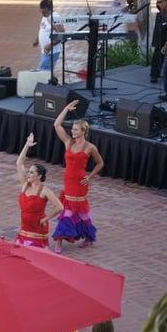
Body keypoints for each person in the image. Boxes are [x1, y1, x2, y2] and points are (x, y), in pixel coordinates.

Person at [52, 100, 104, 253]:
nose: (73, 132)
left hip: (81, 183)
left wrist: (90, 176)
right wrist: (66, 109)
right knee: (67, 211)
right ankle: (61, 239)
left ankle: (84, 237)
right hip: (68, 181)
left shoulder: (90, 147)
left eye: (76, 130)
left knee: (79, 212)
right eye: (73, 129)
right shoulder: (68, 142)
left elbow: (100, 163)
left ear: (83, 131)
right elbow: (57, 125)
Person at [15, 133, 63, 248]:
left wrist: (46, 218)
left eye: (31, 172)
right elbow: (19, 163)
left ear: (39, 176)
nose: (28, 174)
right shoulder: (25, 185)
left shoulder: (44, 190)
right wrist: (27, 145)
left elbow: (60, 207)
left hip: (37, 228)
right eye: (28, 171)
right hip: (24, 227)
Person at [32, 0, 65, 72]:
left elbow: (61, 35)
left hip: (52, 51)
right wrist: (37, 40)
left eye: (41, 9)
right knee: (43, 71)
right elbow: (42, 29)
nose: (40, 11)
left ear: (46, 9)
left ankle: (45, 83)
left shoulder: (55, 17)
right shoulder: (45, 16)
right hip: (46, 51)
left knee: (43, 72)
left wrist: (50, 45)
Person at [150, 0, 167, 84]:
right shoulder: (160, 14)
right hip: (160, 39)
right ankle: (154, 74)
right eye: (156, 2)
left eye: (159, 2)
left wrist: (166, 44)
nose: (157, 4)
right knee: (157, 53)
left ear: (166, 2)